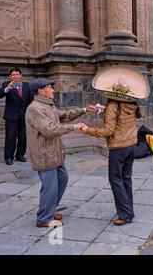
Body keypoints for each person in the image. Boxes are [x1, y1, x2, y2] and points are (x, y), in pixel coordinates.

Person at [81, 66, 149, 226]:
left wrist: (87, 130)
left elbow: (108, 130)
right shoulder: (132, 104)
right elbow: (122, 116)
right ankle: (128, 210)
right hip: (131, 145)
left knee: (115, 179)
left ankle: (125, 214)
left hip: (118, 148)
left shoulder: (113, 106)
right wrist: (106, 110)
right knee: (126, 178)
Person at [25, 78, 98, 228]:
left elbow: (64, 115)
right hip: (44, 154)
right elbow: (50, 130)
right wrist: (75, 127)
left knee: (62, 179)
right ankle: (44, 219)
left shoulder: (48, 105)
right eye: (50, 88)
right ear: (40, 91)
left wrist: (84, 110)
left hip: (55, 153)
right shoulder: (35, 108)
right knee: (49, 186)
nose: (53, 90)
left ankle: (49, 211)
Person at [0, 68, 34, 165]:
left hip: (24, 116)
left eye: (17, 74)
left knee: (23, 137)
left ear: (21, 76)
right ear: (10, 76)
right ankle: (8, 157)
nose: (15, 76)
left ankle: (20, 155)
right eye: (13, 74)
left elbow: (31, 100)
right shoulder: (6, 85)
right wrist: (7, 88)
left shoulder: (27, 86)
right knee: (10, 137)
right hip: (11, 116)